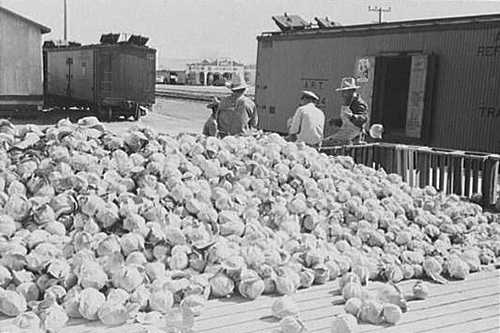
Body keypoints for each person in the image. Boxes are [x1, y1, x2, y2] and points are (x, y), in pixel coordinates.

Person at [323, 77, 369, 146]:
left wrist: (353, 116)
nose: (343, 94)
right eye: (343, 91)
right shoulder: (347, 102)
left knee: (326, 144)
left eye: (346, 91)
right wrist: (336, 121)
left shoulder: (359, 103)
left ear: (353, 91)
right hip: (345, 132)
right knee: (326, 142)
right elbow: (346, 121)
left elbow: (363, 118)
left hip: (354, 135)